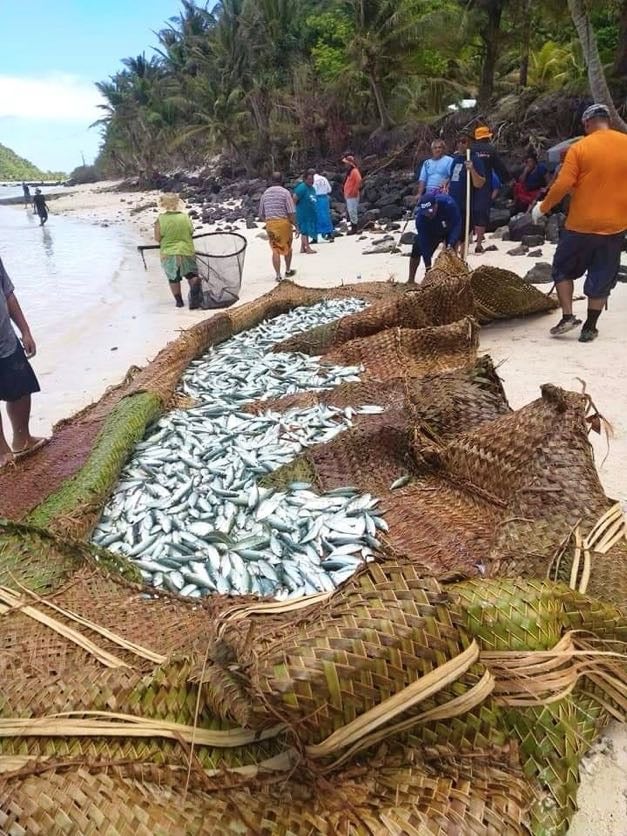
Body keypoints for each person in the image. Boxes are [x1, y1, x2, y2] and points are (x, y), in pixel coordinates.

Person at [532, 103, 627, 342]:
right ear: (608, 121)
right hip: (615, 225)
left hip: (580, 225)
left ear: (587, 123)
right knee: (602, 274)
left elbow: (563, 185)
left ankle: (567, 316)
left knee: (562, 268)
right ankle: (590, 327)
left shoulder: (580, 148)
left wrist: (542, 208)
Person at [0, 257, 44, 468]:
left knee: (21, 389)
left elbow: (8, 294)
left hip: (6, 340)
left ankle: (22, 439)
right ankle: (1, 451)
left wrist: (25, 331)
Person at [154, 194, 202, 309]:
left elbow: (157, 238)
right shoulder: (185, 217)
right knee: (191, 274)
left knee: (173, 278)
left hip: (169, 253)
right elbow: (191, 232)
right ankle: (195, 293)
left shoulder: (160, 219)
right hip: (187, 250)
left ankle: (179, 301)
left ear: (163, 205)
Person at [470, 126, 511, 253]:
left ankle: (467, 239)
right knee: (482, 212)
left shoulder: (470, 150)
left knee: (469, 210)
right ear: (487, 137)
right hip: (485, 185)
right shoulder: (491, 150)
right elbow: (500, 168)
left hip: (470, 185)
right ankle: (478, 244)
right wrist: (508, 180)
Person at [408, 194, 462, 283]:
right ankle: (410, 280)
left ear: (435, 205)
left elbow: (456, 224)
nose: (428, 214)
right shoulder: (421, 218)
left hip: (449, 227)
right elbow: (423, 241)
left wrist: (450, 243)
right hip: (432, 231)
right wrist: (428, 268)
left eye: (430, 210)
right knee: (417, 246)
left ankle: (452, 279)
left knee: (451, 252)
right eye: (425, 212)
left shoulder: (449, 204)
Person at [447, 134, 486, 255]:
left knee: (462, 237)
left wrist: (472, 169)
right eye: (458, 142)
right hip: (452, 204)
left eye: (463, 142)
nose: (460, 144)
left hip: (465, 205)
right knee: (451, 237)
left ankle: (462, 261)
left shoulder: (475, 160)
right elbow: (453, 179)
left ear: (469, 144)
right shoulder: (455, 160)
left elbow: (479, 183)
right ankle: (452, 263)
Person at [258, 172, 297, 282]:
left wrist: (268, 221)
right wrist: (296, 225)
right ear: (281, 180)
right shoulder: (285, 193)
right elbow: (291, 211)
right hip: (284, 224)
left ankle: (278, 275)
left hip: (271, 224)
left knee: (275, 250)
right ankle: (288, 270)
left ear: (271, 180)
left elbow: (261, 213)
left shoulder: (265, 194)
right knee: (288, 247)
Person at [293, 169, 318, 254]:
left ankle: (302, 247)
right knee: (304, 231)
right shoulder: (302, 187)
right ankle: (307, 248)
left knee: (306, 230)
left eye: (312, 179)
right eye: (309, 179)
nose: (312, 181)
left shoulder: (312, 188)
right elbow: (294, 198)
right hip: (303, 213)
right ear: (305, 179)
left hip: (310, 213)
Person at [342, 154, 362, 235]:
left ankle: (355, 228)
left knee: (352, 211)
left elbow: (359, 180)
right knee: (351, 211)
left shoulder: (354, 171)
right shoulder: (350, 172)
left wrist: (354, 191)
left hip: (352, 195)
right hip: (349, 195)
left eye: (346, 163)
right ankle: (354, 226)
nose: (345, 165)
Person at [313, 170, 335, 242]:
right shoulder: (324, 178)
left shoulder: (313, 179)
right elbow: (329, 189)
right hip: (325, 198)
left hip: (317, 198)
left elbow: (313, 190)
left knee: (316, 217)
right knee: (326, 215)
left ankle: (315, 236)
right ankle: (329, 233)